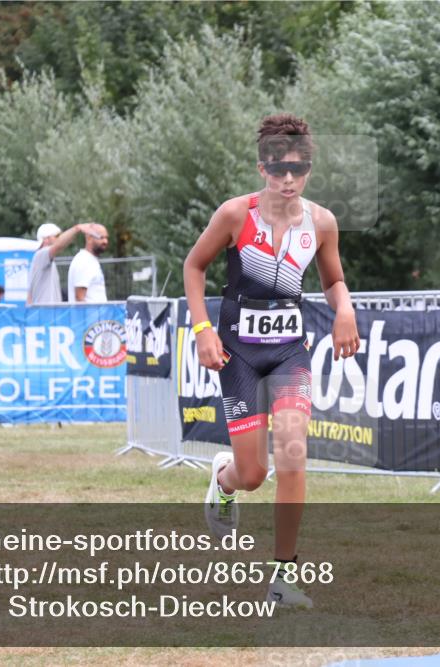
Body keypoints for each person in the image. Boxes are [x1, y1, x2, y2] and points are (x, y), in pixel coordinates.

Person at [183, 113, 360, 609]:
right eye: (278, 169)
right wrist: (202, 330)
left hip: (288, 353)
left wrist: (345, 309)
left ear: (308, 169)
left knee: (293, 453)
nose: (288, 179)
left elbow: (332, 280)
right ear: (262, 168)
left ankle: (283, 579)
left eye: (297, 169)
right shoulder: (234, 215)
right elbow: (194, 266)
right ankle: (224, 480)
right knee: (254, 475)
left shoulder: (321, 222)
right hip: (237, 354)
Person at [27, 222, 90, 305]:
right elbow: (60, 245)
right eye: (56, 236)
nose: (59, 239)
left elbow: (29, 295)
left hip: (46, 310)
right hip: (44, 311)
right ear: (46, 239)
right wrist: (77, 228)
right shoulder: (40, 255)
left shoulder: (44, 260)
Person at [67, 223, 109, 303]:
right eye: (101, 237)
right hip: (89, 312)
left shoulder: (90, 260)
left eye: (106, 238)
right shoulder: (84, 261)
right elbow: (79, 298)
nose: (105, 241)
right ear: (89, 238)